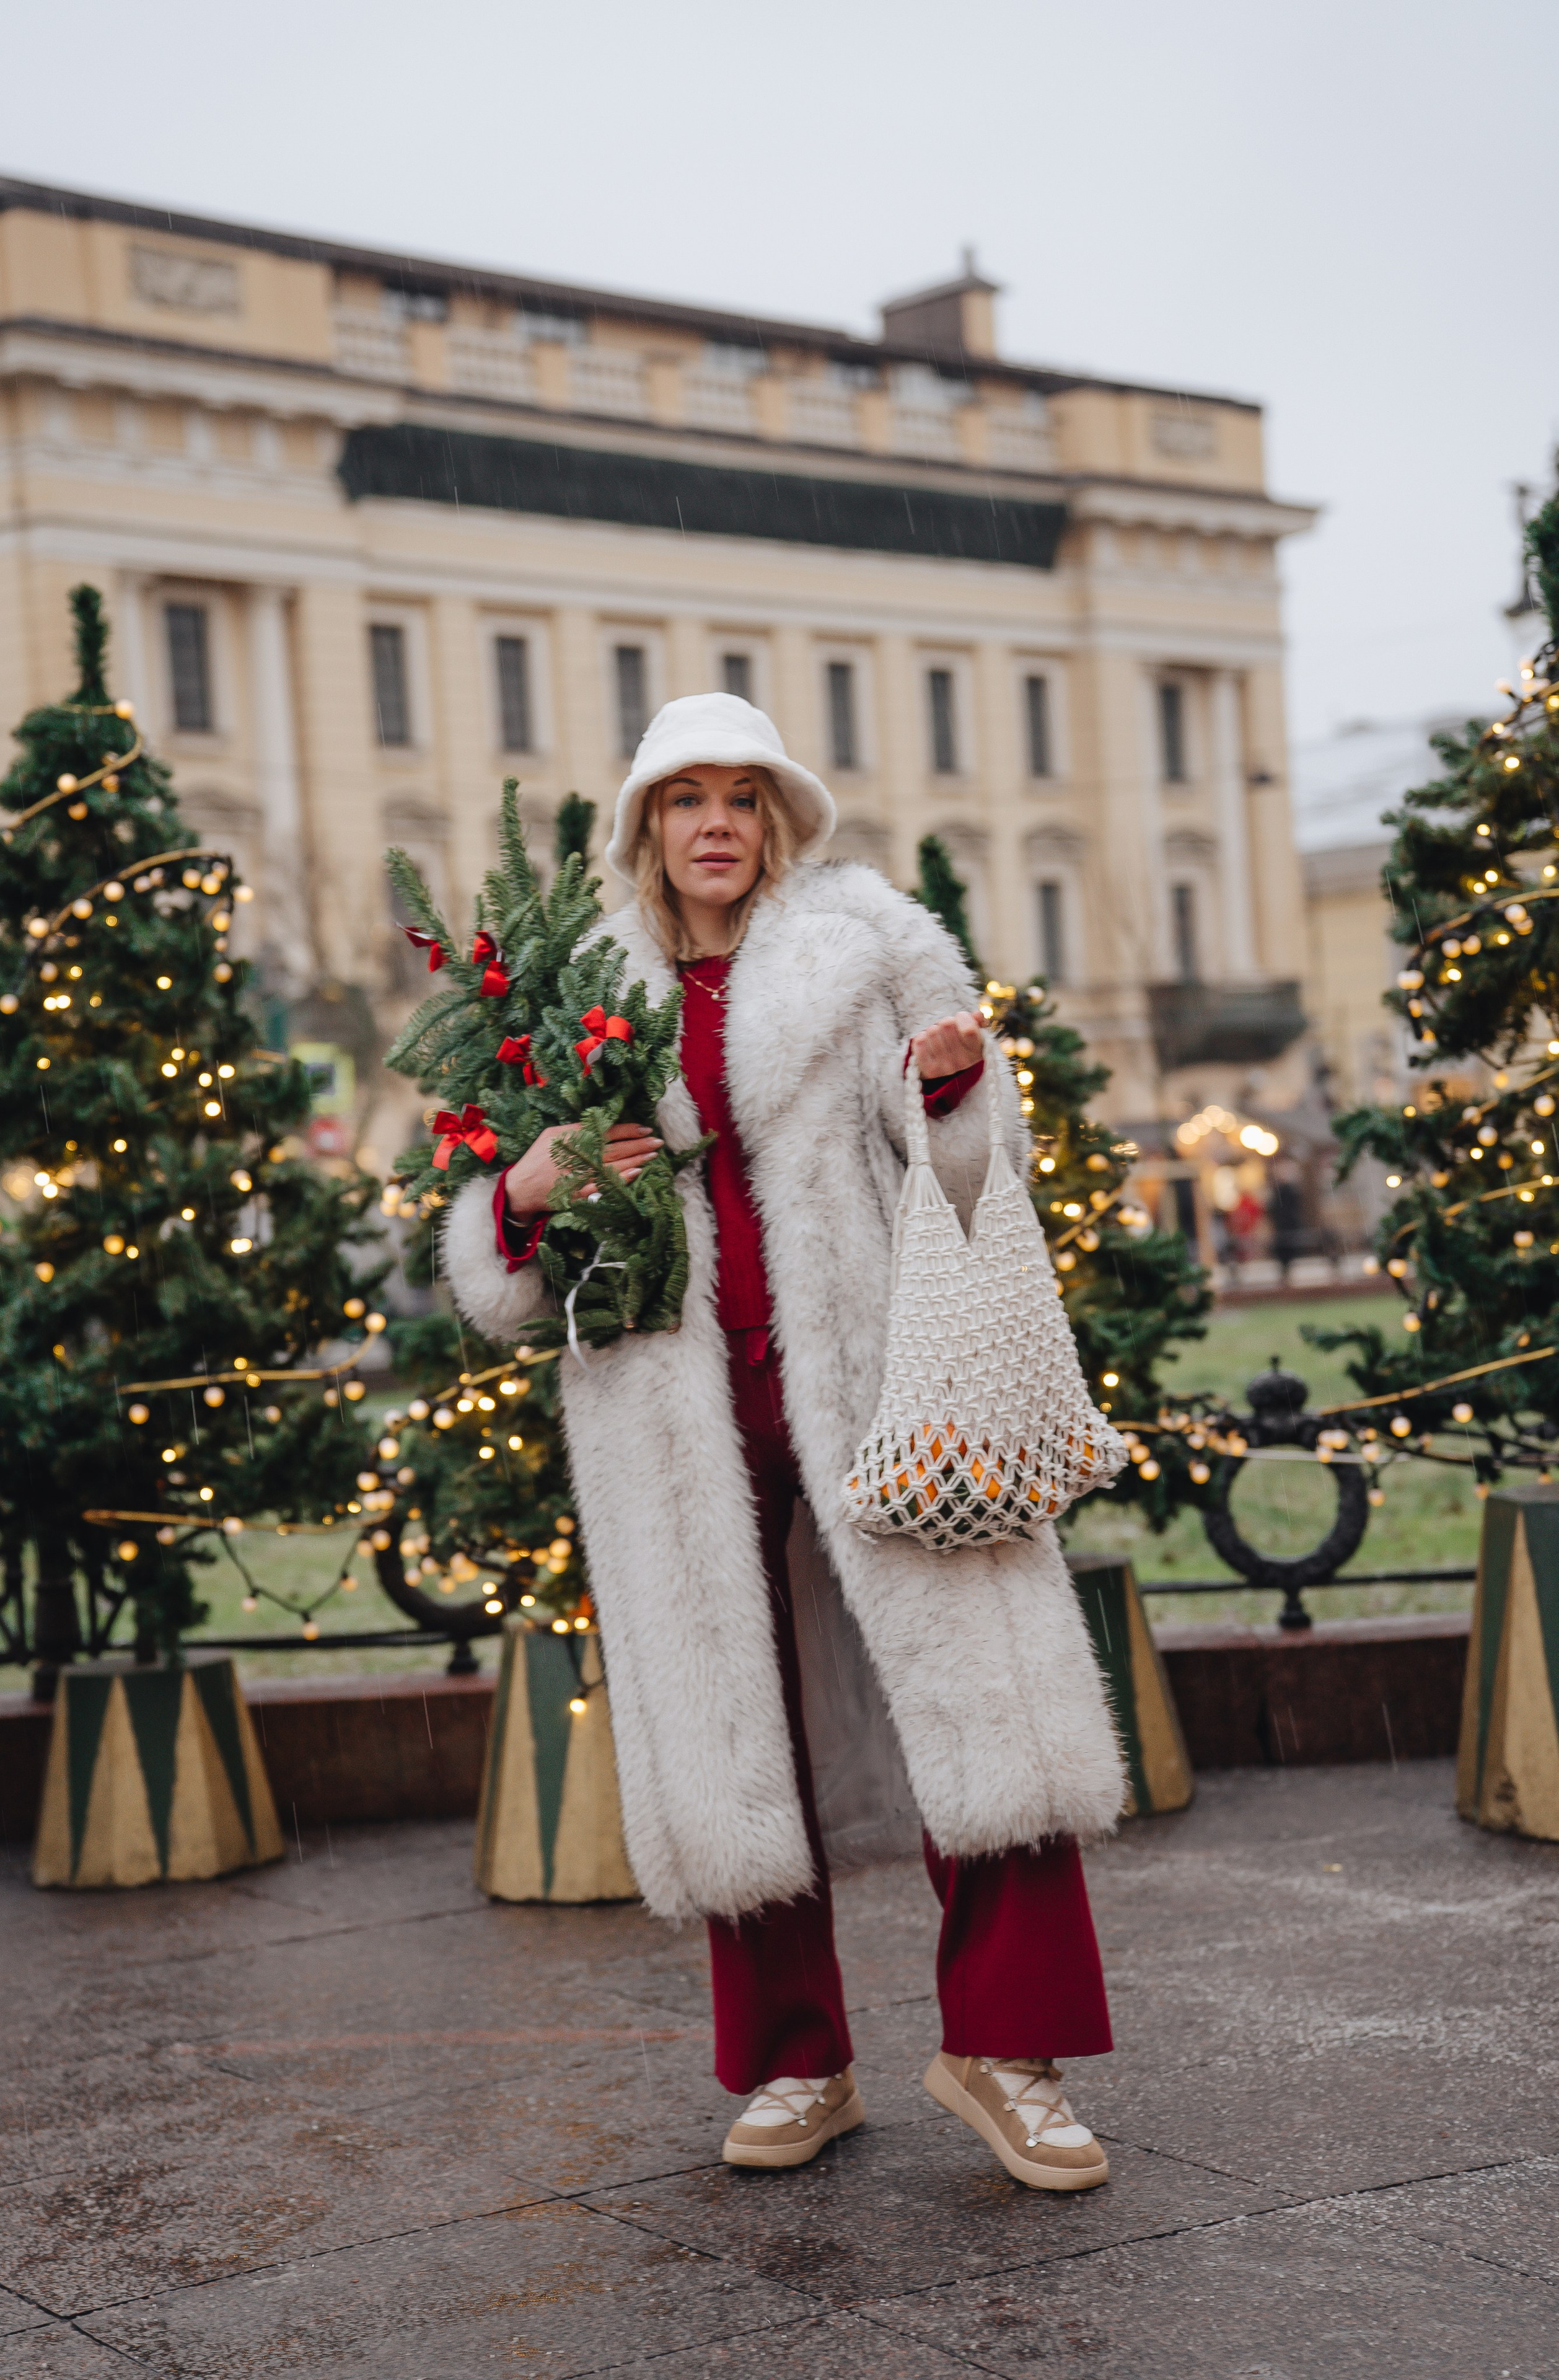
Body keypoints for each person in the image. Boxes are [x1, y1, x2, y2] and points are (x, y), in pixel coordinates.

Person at [443, 694, 1124, 2192]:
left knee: (983, 1711)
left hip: (891, 1391)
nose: (713, 826)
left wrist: (952, 1088)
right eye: (682, 800)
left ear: (777, 818)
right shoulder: (573, 985)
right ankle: (794, 2064)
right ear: (641, 827)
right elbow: (497, 1275)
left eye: (739, 799)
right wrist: (523, 1192)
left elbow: (963, 1161)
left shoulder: (869, 947)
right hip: (672, 1421)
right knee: (732, 1738)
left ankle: (1011, 2053)